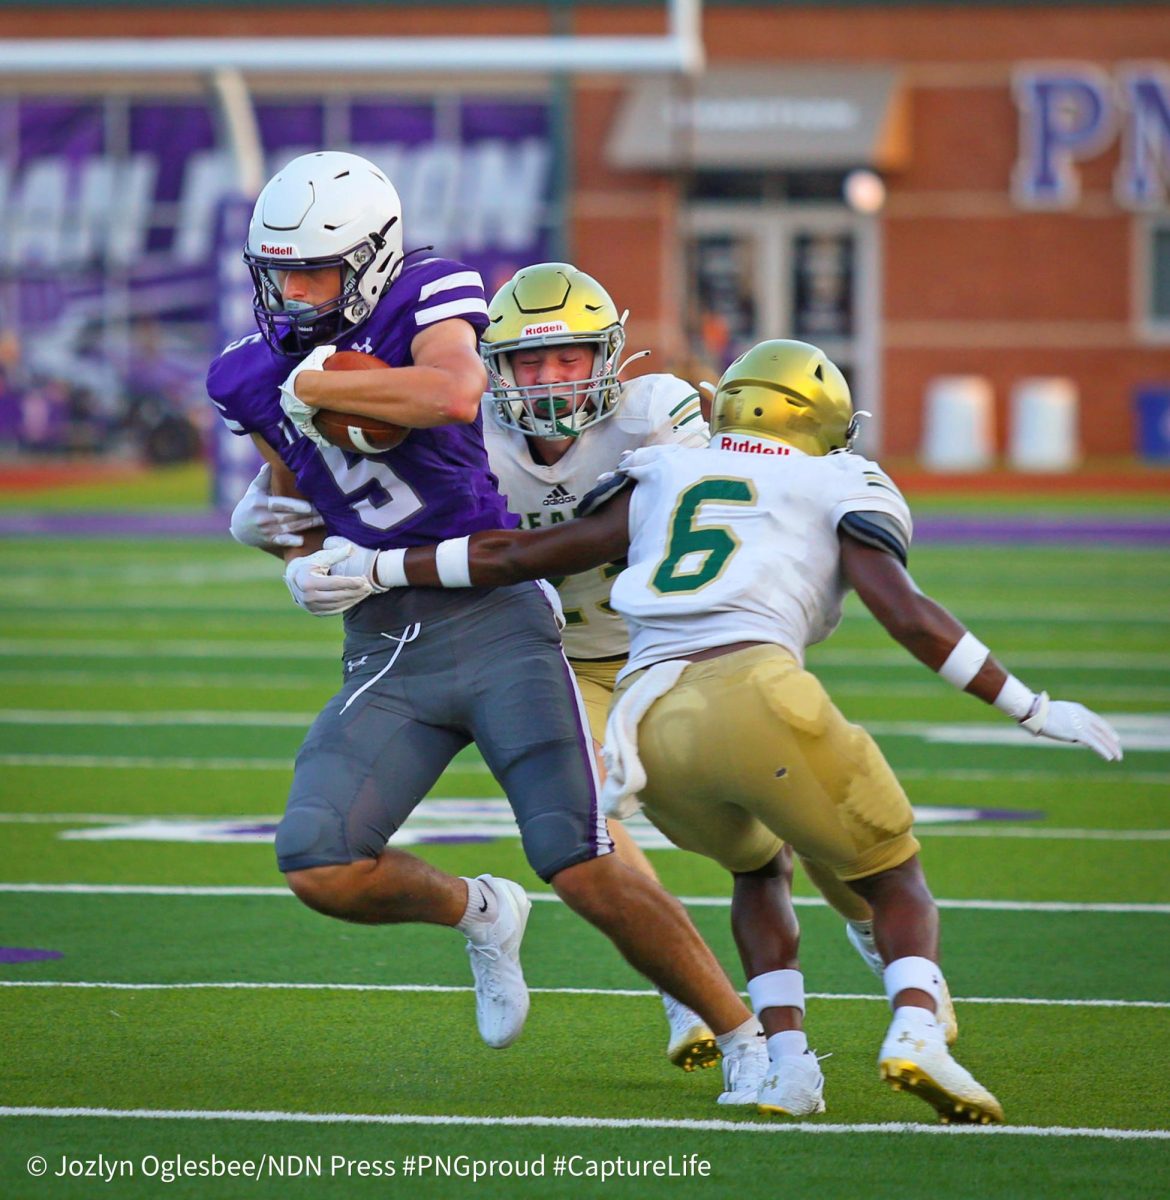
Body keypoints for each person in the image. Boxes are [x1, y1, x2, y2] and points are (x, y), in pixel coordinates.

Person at [314, 338, 1123, 1122]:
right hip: (753, 688)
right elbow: (906, 614)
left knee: (760, 872)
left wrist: (378, 568)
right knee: (892, 872)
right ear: (823, 422)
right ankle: (916, 1025)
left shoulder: (666, 463)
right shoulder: (841, 476)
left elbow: (517, 555)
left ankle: (788, 1069)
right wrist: (1031, 706)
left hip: (648, 718)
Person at [238, 259, 907, 1067]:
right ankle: (681, 988)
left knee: (803, 817)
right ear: (495, 367)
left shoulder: (659, 417)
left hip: (690, 648)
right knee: (592, 823)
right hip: (575, 659)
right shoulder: (463, 439)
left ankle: (874, 925)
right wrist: (280, 510)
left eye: (570, 358)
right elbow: (357, 483)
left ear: (610, 357)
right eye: (528, 361)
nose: (550, 378)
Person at [207, 151, 767, 1097]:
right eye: (281, 272)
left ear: (374, 257)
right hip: (387, 641)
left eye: (316, 270)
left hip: (498, 620)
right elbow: (304, 500)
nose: (296, 293)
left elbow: (453, 393)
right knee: (318, 859)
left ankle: (745, 1037)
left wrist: (320, 387)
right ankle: (479, 913)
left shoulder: (429, 289)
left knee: (579, 857)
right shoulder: (244, 374)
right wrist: (284, 551)